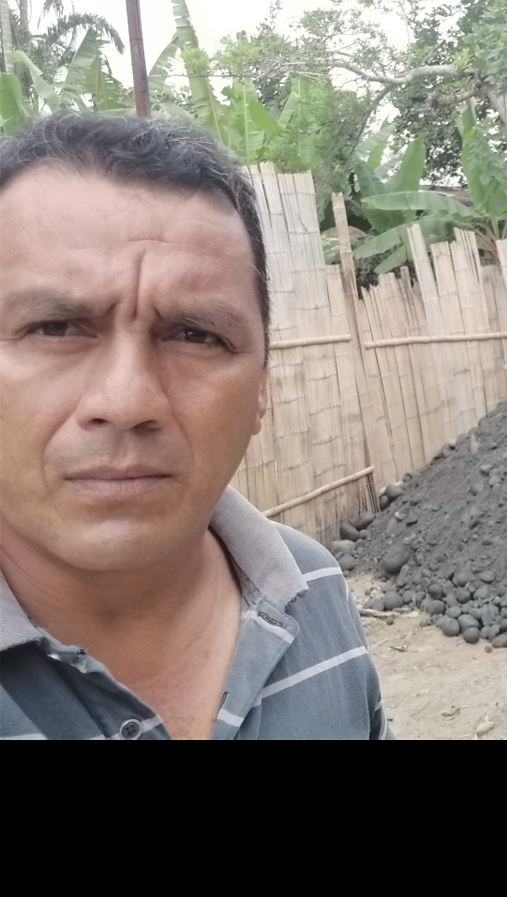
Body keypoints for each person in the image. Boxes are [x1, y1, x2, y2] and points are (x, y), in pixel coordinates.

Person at [0, 114, 391, 741]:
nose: (127, 402)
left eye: (195, 335)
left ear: (262, 388)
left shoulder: (312, 587)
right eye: (54, 328)